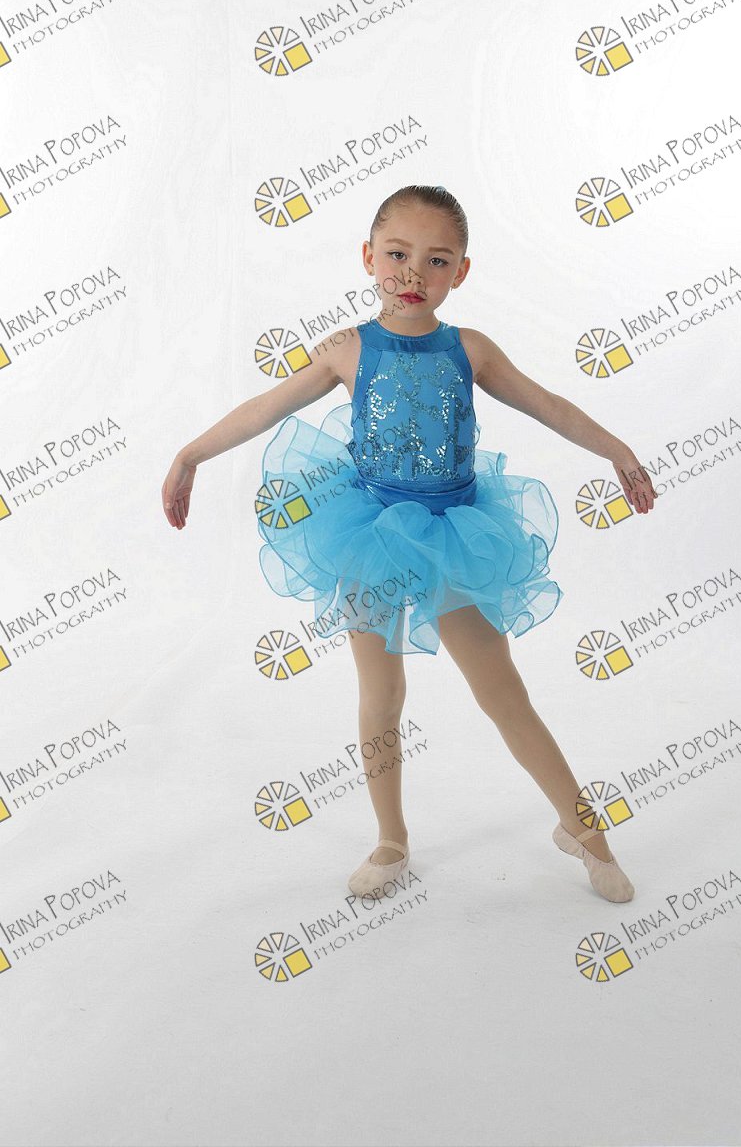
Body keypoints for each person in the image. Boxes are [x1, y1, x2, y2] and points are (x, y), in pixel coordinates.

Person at [162, 184, 657, 905]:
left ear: (461, 271)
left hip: (454, 532)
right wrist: (190, 454)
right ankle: (391, 837)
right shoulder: (347, 349)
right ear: (368, 257)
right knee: (382, 693)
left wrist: (618, 451)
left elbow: (548, 404)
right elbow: (265, 407)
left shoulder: (471, 350)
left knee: (503, 692)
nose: (413, 274)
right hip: (370, 534)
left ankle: (584, 830)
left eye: (436, 260)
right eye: (397, 254)